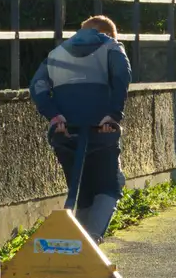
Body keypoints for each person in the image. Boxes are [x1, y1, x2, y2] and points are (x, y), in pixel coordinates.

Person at [30, 15, 132, 241]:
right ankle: (90, 240)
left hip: (65, 134)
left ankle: (79, 245)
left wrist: (55, 117)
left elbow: (37, 85)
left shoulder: (56, 53)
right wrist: (113, 115)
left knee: (82, 190)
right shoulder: (111, 47)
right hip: (100, 131)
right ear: (107, 33)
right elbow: (122, 76)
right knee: (110, 186)